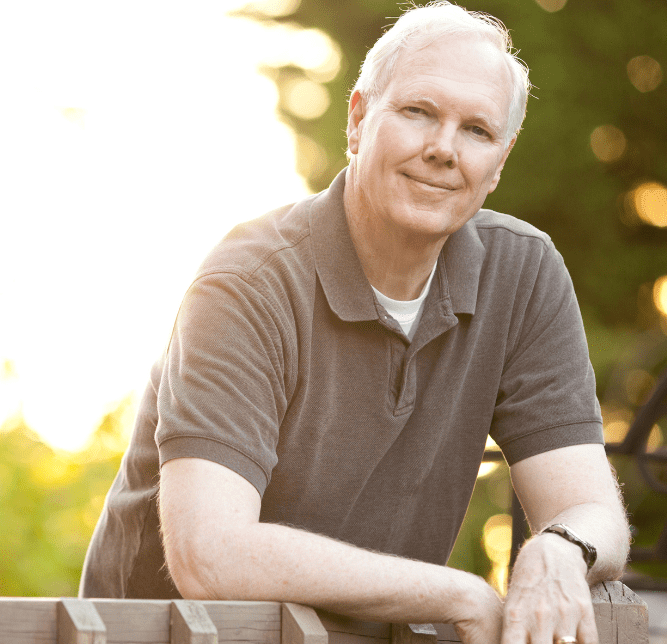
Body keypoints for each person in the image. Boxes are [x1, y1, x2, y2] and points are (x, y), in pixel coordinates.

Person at [80, 2, 629, 643]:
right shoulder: (249, 281)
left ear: (499, 163)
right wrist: (458, 592)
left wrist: (558, 549)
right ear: (360, 119)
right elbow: (210, 553)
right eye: (418, 112)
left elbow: (595, 512)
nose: (443, 149)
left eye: (476, 130)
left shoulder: (523, 274)